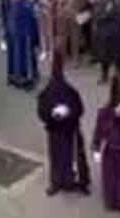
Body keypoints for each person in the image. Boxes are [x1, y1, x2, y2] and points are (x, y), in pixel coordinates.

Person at [38, 55, 89, 194]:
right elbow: (42, 113)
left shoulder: (68, 92)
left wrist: (68, 113)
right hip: (57, 132)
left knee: (74, 158)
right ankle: (57, 182)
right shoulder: (49, 93)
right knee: (58, 158)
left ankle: (80, 181)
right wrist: (53, 115)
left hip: (69, 132)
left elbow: (79, 109)